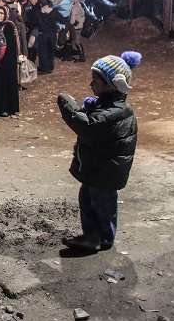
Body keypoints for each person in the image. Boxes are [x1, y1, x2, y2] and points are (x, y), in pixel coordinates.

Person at [57, 52, 141, 253]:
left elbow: (87, 127)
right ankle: (93, 235)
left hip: (104, 171)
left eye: (95, 80)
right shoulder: (108, 107)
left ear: (112, 84)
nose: (91, 85)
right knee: (88, 200)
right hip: (99, 168)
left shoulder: (114, 113)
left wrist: (69, 107)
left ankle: (102, 237)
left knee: (102, 205)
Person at [0, 5, 21, 118]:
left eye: (2, 13)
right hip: (0, 60)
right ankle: (0, 108)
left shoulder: (9, 26)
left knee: (7, 83)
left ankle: (8, 108)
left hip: (8, 61)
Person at [36, 0, 67, 75]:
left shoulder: (38, 13)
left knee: (42, 52)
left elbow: (35, 22)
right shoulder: (54, 12)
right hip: (52, 34)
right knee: (51, 51)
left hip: (42, 34)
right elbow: (63, 20)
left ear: (40, 4)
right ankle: (50, 67)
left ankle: (43, 68)